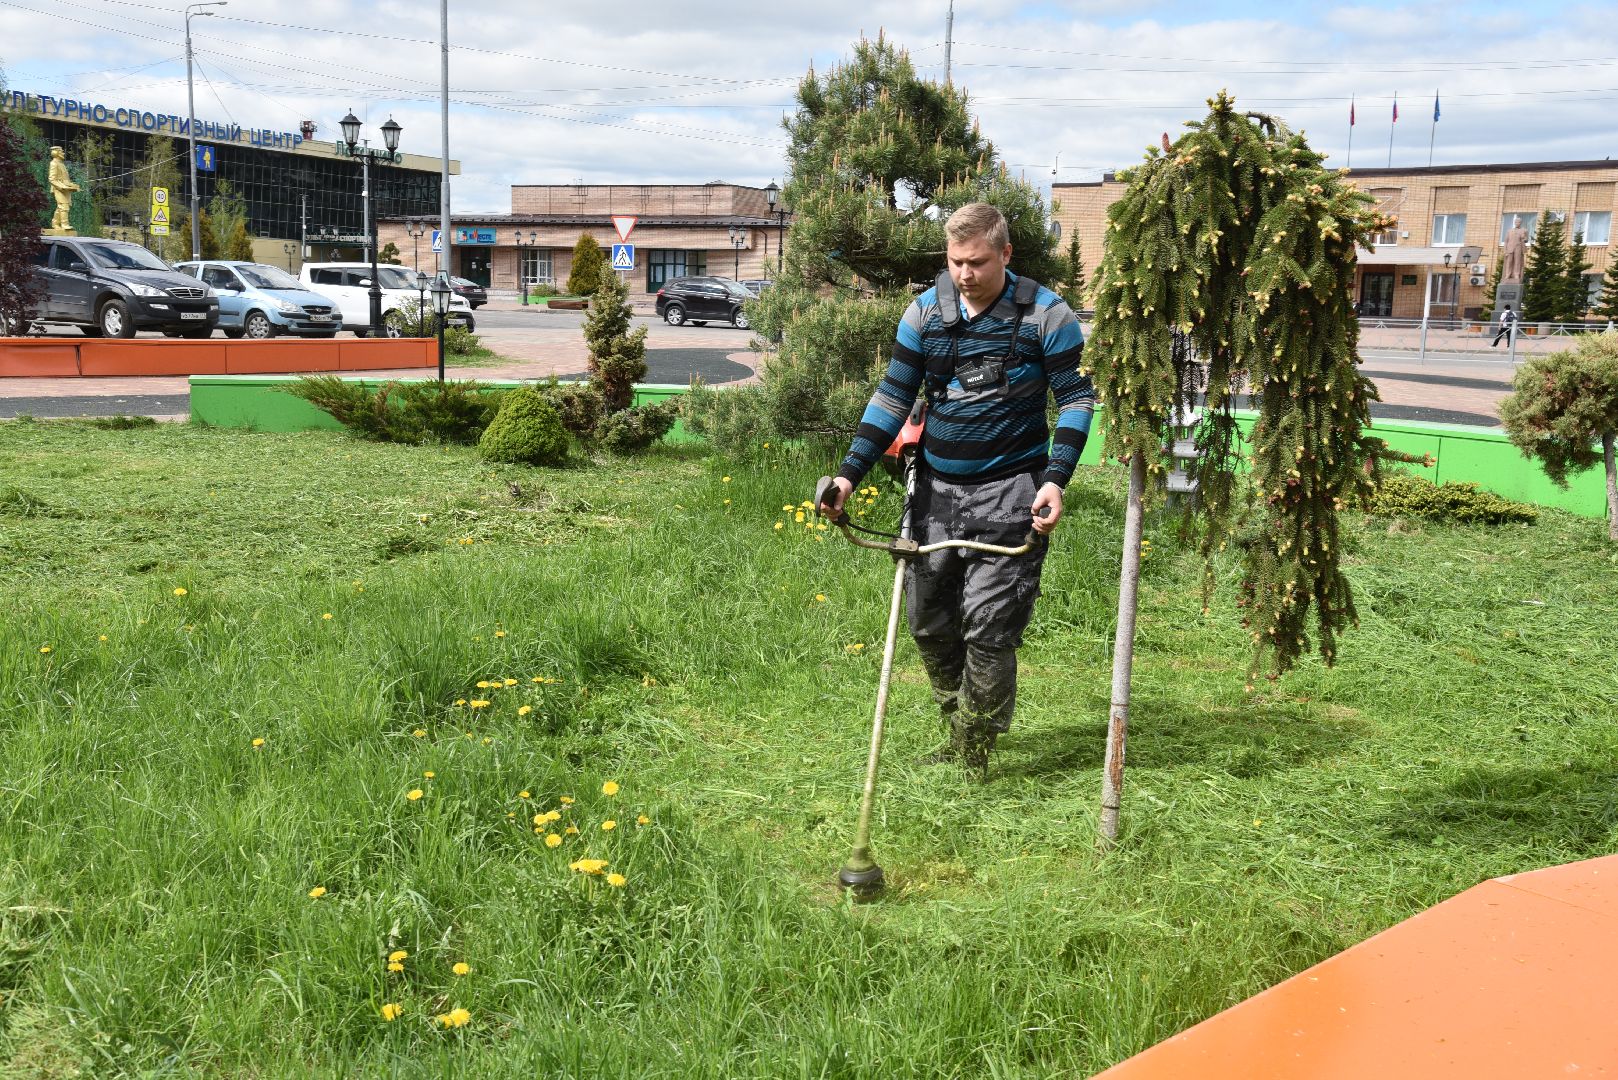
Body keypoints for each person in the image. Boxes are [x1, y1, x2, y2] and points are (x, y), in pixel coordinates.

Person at [818, 203, 1095, 779]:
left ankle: (974, 749)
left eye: (978, 262)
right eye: (955, 262)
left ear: (1006, 254)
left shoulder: (1048, 315)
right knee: (929, 622)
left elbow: (1074, 400)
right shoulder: (924, 314)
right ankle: (960, 721)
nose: (965, 274)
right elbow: (893, 398)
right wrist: (849, 474)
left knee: (989, 627)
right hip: (934, 493)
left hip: (1012, 490)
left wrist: (1055, 480)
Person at [47, 146, 79, 233]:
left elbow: (65, 180)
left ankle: (55, 223)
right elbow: (52, 179)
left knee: (61, 206)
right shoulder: (53, 163)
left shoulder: (62, 164)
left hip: (65, 189)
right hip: (59, 189)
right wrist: (62, 187)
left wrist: (73, 185)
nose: (63, 153)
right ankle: (64, 224)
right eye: (61, 152)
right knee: (64, 206)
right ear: (56, 153)